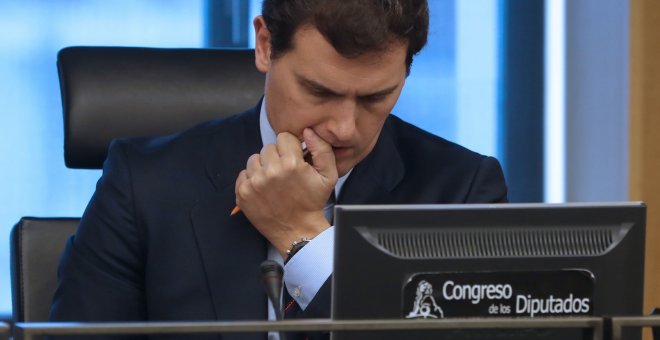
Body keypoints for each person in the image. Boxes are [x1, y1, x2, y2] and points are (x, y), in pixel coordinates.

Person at [49, 0, 507, 339]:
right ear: (266, 45)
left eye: (375, 97)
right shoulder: (144, 184)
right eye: (319, 92)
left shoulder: (461, 191)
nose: (344, 128)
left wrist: (304, 238)